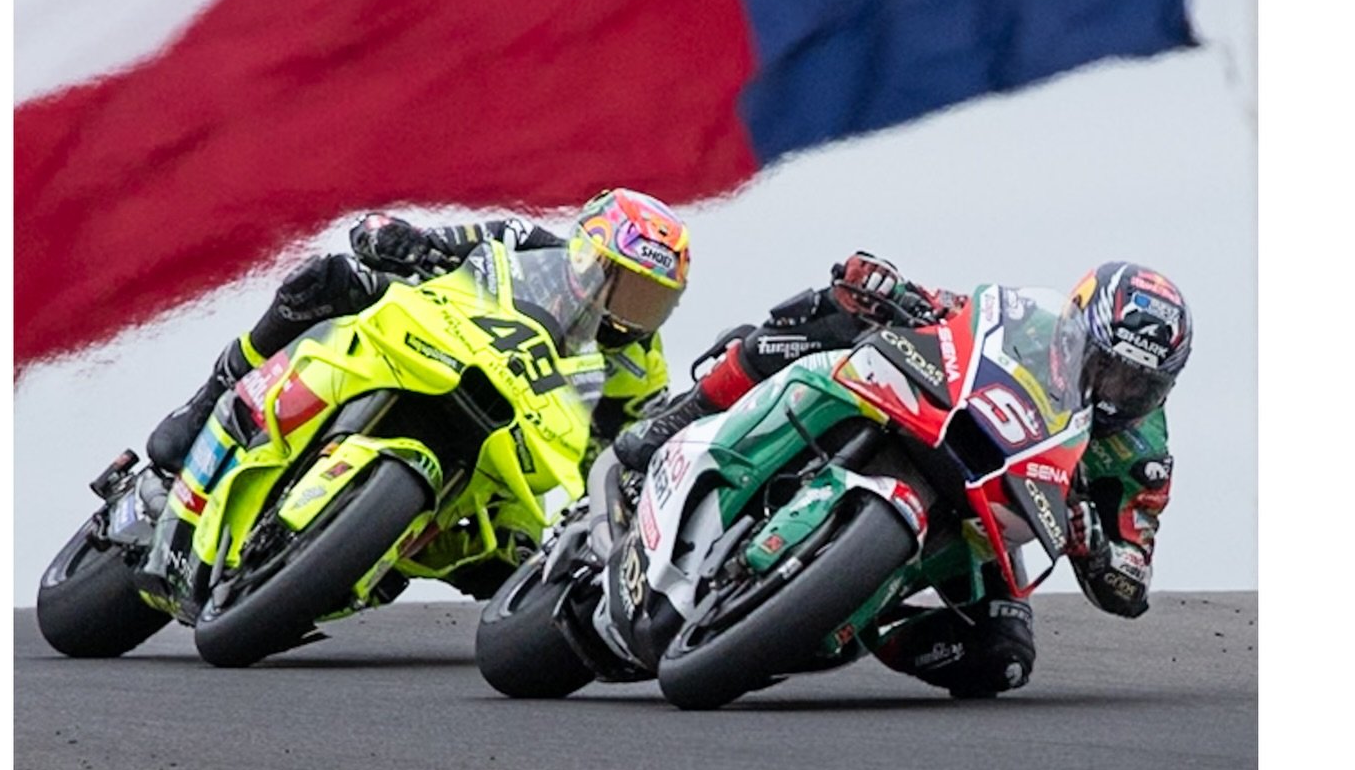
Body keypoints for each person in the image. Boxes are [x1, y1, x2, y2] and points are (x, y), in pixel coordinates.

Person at [612, 254, 1194, 698]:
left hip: (997, 517)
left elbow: (1132, 582)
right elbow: (955, 313)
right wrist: (887, 286)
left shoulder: (1141, 454)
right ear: (1078, 330)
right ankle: (683, 415)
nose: (1119, 392)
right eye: (1109, 367)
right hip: (942, 423)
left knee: (1004, 656)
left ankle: (850, 621)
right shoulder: (1032, 328)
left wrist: (1095, 547)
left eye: (1140, 384)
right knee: (827, 317)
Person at [145, 187, 692, 597]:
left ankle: (371, 554)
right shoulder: (523, 243)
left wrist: (599, 502)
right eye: (621, 285)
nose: (629, 313)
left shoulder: (642, 365)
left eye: (651, 301)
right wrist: (394, 238)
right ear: (584, 256)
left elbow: (626, 449)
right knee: (329, 279)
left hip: (512, 448)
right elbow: (431, 243)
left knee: (513, 565)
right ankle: (205, 403)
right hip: (433, 345)